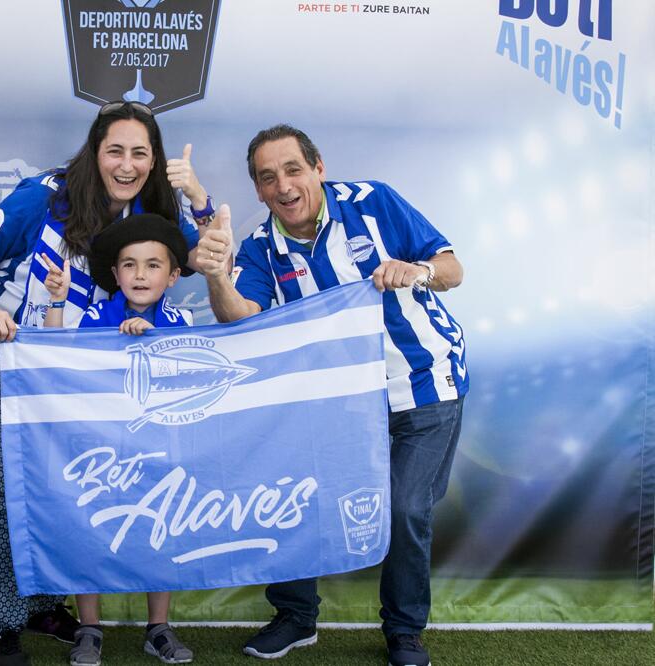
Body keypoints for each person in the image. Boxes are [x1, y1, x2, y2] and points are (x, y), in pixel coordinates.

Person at [195, 125, 467, 666]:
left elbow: (453, 269)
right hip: (336, 399)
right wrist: (215, 277)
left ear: (318, 167)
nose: (284, 186)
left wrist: (418, 271)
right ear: (258, 190)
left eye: (293, 169)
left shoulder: (373, 203)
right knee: (297, 495)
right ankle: (297, 617)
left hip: (422, 381)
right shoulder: (258, 249)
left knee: (408, 507)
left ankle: (405, 632)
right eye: (268, 178)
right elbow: (239, 319)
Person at [0, 101, 213, 666]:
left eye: (139, 153)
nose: (126, 164)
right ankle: (2, 623)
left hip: (82, 367)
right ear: (94, 151)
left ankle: (44, 605)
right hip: (4, 355)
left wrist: (199, 199)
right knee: (7, 487)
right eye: (115, 150)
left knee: (60, 484)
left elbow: (206, 256)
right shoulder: (42, 195)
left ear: (155, 159)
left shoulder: (155, 205)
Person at [42, 213, 194, 666]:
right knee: (88, 526)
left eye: (152, 265)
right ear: (115, 274)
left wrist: (153, 340)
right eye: (130, 265)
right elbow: (53, 358)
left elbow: (190, 373)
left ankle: (158, 627)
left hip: (161, 449)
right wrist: (56, 301)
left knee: (160, 530)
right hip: (100, 448)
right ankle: (89, 627)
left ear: (173, 275)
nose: (140, 274)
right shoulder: (96, 314)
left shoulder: (180, 318)